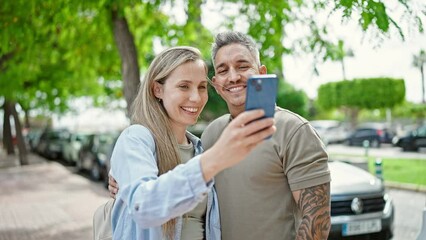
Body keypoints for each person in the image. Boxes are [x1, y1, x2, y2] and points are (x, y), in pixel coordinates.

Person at [110, 32, 331, 239]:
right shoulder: (211, 135)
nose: (233, 77)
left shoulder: (293, 130)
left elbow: (317, 220)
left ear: (261, 73)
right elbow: (144, 199)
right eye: (223, 70)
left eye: (243, 66)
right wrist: (124, 175)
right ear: (217, 84)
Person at [108, 46, 275, 240]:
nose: (196, 98)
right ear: (157, 89)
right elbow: (143, 207)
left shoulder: (199, 149)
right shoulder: (136, 138)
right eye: (184, 86)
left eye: (201, 87)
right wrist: (213, 160)